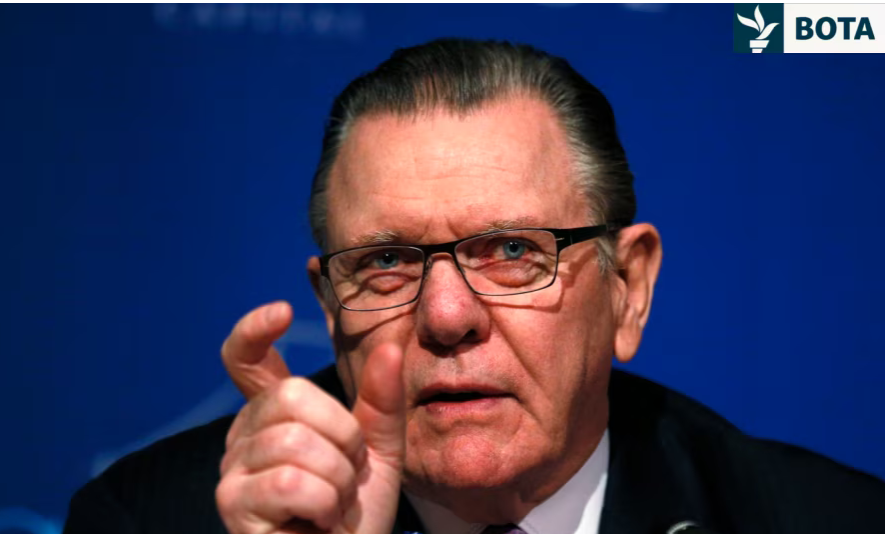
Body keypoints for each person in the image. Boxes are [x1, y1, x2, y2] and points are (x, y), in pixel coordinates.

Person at [64, 39, 885, 534]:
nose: (447, 315)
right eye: (386, 262)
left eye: (512, 250)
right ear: (331, 309)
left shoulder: (822, 521)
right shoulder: (149, 519)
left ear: (627, 289)